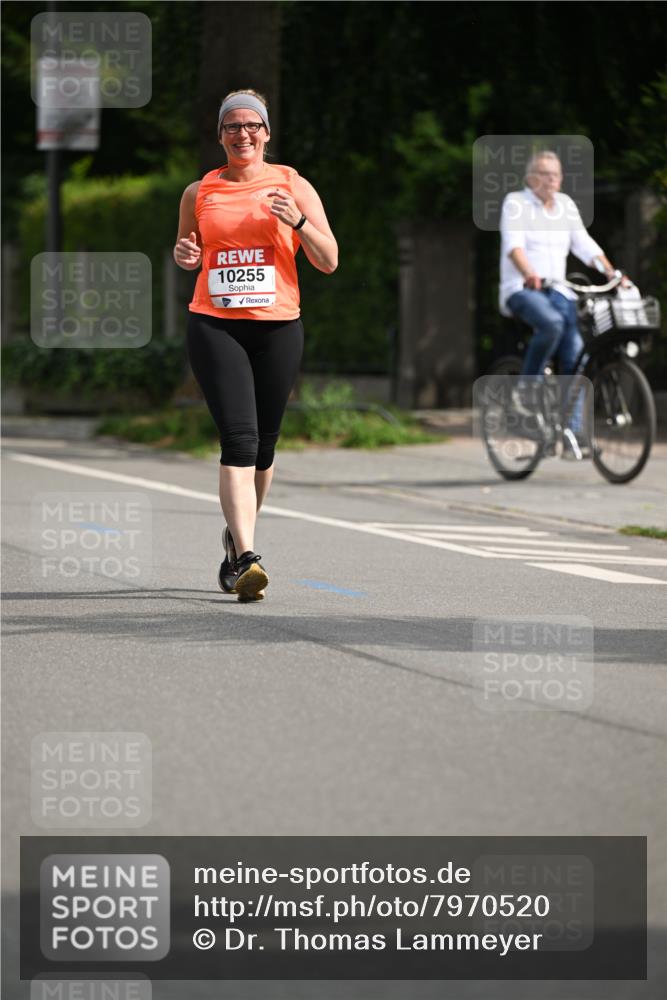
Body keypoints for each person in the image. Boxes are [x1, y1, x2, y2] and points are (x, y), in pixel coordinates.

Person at [174, 89, 337, 601]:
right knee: (239, 441)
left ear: (266, 132)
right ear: (219, 134)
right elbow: (190, 253)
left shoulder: (292, 184)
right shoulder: (199, 191)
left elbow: (329, 260)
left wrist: (300, 223)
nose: (242, 135)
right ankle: (246, 558)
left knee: (265, 448)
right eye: (232, 127)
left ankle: (234, 541)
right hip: (215, 325)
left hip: (277, 326)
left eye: (252, 126)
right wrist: (184, 254)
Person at [498, 150, 622, 449]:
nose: (551, 180)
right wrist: (530, 273)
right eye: (544, 174)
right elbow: (513, 246)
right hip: (523, 290)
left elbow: (583, 243)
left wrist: (610, 271)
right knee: (551, 324)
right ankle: (526, 395)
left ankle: (572, 431)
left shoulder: (565, 206)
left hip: (560, 290)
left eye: (556, 175)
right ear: (530, 178)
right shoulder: (516, 203)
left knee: (577, 353)